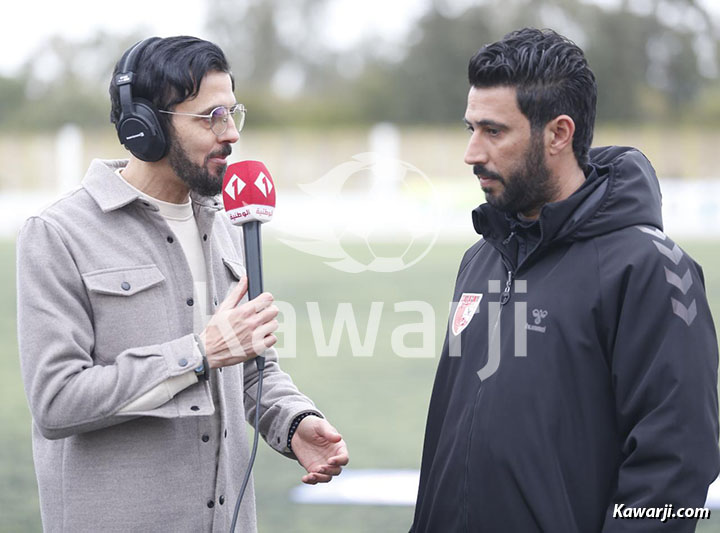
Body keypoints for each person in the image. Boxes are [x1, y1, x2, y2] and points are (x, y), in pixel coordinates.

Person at [16, 36, 348, 533]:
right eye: (210, 117)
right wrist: (197, 353)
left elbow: (250, 369)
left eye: (233, 113)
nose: (231, 133)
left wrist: (294, 423)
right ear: (143, 127)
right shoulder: (58, 234)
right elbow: (57, 403)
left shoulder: (232, 224)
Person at [411, 28, 719, 532]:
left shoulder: (651, 269)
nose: (471, 152)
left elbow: (677, 470)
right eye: (470, 128)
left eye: (493, 131)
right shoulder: (481, 258)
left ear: (558, 133)